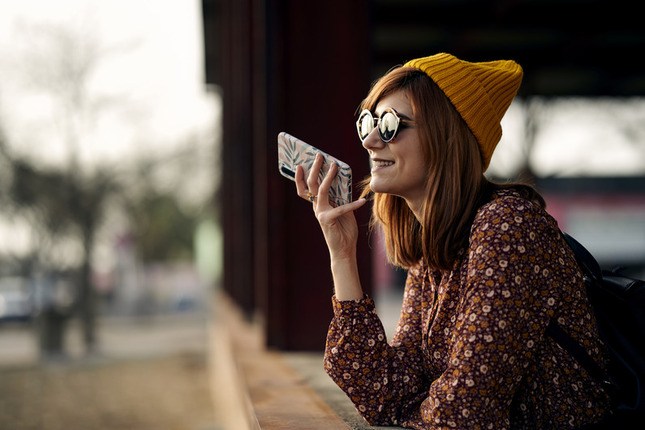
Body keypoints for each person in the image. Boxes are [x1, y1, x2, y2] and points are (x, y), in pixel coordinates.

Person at [293, 52, 613, 429]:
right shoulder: (433, 248)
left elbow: (463, 414)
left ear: (446, 136)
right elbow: (385, 394)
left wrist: (420, 408)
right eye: (368, 123)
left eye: (392, 124)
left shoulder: (508, 227)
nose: (371, 141)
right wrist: (341, 253)